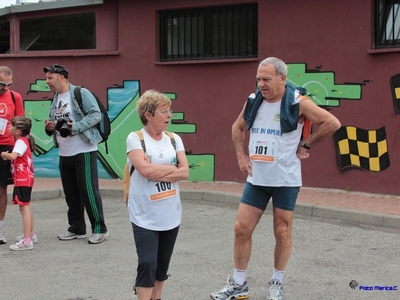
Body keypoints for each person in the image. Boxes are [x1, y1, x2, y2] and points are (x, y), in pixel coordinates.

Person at [210, 57, 341, 300]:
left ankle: (276, 283)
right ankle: (239, 284)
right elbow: (237, 128)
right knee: (241, 228)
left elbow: (332, 123)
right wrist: (241, 155)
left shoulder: (297, 102)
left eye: (266, 79)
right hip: (257, 179)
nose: (261, 84)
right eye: (258, 79)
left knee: (282, 231)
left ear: (282, 78)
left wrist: (306, 143)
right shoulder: (253, 101)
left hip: (286, 180)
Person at [126, 89, 189, 300]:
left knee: (161, 266)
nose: (169, 115)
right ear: (148, 114)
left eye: (169, 111)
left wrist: (154, 169)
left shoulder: (174, 139)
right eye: (164, 111)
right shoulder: (135, 139)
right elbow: (144, 171)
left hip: (170, 213)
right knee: (147, 262)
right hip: (144, 215)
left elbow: (185, 172)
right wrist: (171, 170)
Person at [43, 64, 108, 244]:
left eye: (50, 78)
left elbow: (95, 114)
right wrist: (50, 128)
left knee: (88, 191)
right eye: (46, 78)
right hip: (65, 152)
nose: (46, 81)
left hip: (84, 151)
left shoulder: (80, 93)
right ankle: (77, 228)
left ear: (61, 77)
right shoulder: (55, 99)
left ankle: (99, 228)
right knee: (71, 193)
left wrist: (76, 127)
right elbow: (57, 123)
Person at [1, 116, 36, 251]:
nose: (9, 127)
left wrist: (4, 154)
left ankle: (27, 241)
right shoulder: (23, 140)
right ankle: (31, 234)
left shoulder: (20, 142)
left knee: (24, 208)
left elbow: (14, 156)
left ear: (18, 131)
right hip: (25, 178)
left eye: (11, 125)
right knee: (26, 206)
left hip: (23, 179)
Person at [0, 66, 25, 245]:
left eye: (9, 84)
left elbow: (21, 126)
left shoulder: (15, 97)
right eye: (2, 84)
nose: (5, 88)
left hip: (7, 146)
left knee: (2, 189)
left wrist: (20, 148)